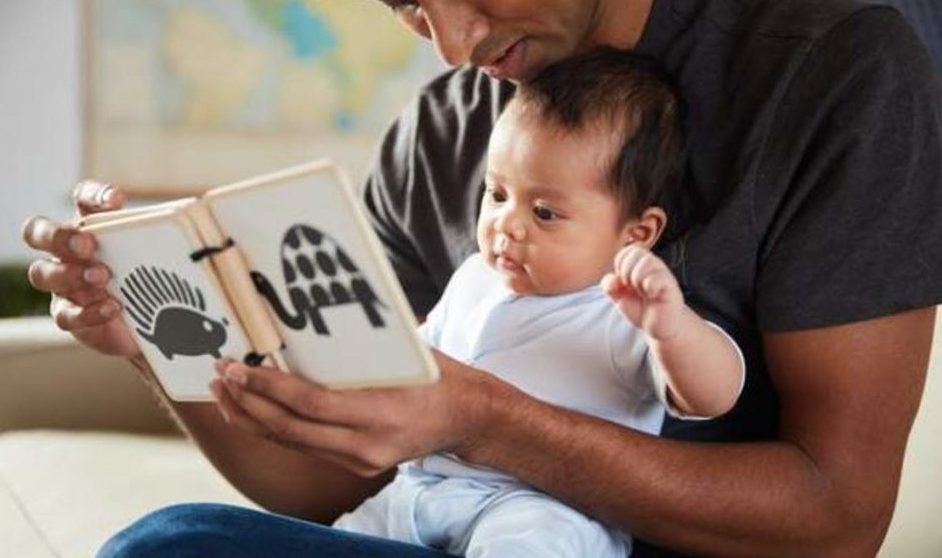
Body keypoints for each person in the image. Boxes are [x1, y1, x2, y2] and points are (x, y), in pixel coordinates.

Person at [21, 0, 941, 556]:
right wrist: (149, 339)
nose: (454, 43)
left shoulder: (836, 66)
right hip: (434, 525)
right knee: (180, 546)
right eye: (407, 8)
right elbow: (326, 480)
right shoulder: (446, 134)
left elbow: (837, 521)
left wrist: (483, 418)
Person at [331, 47, 745, 558]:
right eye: (498, 194)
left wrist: (671, 327)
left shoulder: (621, 310)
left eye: (545, 212)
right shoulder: (473, 277)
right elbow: (422, 358)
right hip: (424, 490)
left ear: (635, 233)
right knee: (336, 537)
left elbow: (714, 395)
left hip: (545, 505)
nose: (507, 223)